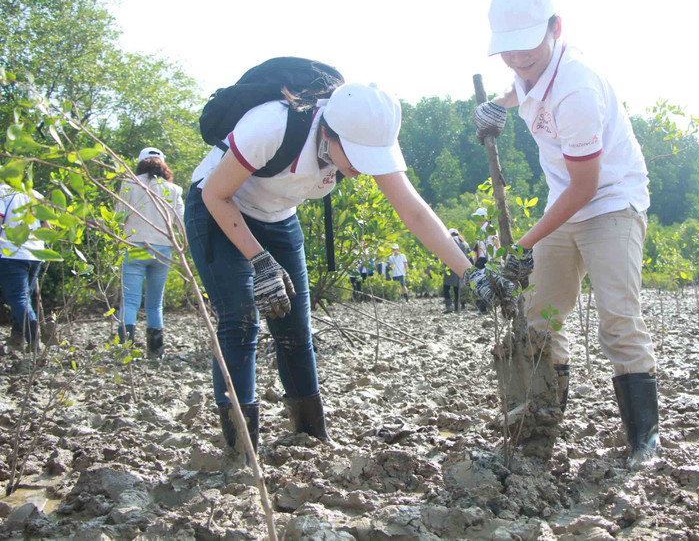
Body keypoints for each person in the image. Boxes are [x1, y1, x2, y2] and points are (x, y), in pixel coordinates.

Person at [185, 79, 514, 454]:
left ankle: (311, 440)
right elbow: (214, 192)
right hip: (218, 207)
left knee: (295, 328)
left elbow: (415, 213)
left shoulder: (368, 134)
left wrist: (470, 273)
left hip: (277, 217)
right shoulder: (271, 128)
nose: (361, 169)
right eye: (355, 156)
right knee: (240, 321)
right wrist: (260, 262)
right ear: (327, 132)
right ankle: (241, 452)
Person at [472, 0, 657, 467]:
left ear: (556, 28)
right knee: (542, 319)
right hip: (565, 203)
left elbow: (585, 188)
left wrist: (522, 248)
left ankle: (644, 441)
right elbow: (521, 88)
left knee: (617, 317)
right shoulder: (527, 69)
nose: (517, 58)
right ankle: (541, 430)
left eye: (527, 46)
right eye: (506, 50)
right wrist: (497, 106)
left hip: (610, 201)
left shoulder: (576, 88)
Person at [116, 148, 184, 358]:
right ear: (163, 165)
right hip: (162, 248)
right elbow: (181, 223)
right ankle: (156, 354)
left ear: (139, 163)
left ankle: (124, 353)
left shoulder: (129, 185)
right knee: (155, 304)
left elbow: (118, 218)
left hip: (135, 245)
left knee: (130, 301)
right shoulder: (174, 189)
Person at [0, 183, 47, 351]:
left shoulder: (2, 193)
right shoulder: (35, 194)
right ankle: (17, 338)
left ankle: (34, 339)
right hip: (36, 255)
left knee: (18, 298)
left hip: (11, 253)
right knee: (24, 298)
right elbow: (47, 227)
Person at [442, 229, 471, 313]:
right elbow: (469, 257)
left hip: (450, 267)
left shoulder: (450, 241)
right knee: (457, 288)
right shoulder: (465, 243)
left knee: (446, 287)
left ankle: (449, 306)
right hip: (462, 267)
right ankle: (457, 307)